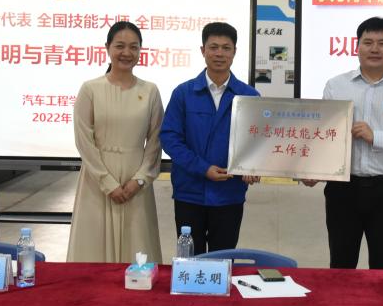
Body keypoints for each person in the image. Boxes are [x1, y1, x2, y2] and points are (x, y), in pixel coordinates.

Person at [304, 17, 383, 269]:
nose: (375, 49)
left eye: (382, 43)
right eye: (368, 42)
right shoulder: (336, 86)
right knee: (341, 263)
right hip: (343, 189)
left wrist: (376, 137)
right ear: (357, 46)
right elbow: (323, 135)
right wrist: (314, 169)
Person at [67, 21, 164, 263]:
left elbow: (155, 140)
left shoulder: (150, 91)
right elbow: (84, 140)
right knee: (92, 252)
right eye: (120, 46)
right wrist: (107, 182)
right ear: (107, 48)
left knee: (138, 250)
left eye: (134, 47)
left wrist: (140, 179)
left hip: (136, 183)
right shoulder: (90, 89)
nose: (126, 53)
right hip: (96, 181)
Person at [161, 22, 260, 255]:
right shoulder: (183, 93)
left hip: (229, 194)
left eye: (226, 48)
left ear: (234, 52)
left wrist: (253, 165)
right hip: (189, 192)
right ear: (202, 50)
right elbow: (169, 138)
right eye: (213, 47)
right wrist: (203, 168)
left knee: (222, 261)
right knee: (190, 261)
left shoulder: (250, 96)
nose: (219, 53)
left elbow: (258, 142)